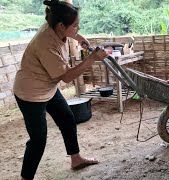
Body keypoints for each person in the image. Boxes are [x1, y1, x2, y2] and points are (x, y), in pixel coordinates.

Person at [13, 1, 109, 179]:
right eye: (75, 26)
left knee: (67, 119)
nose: (77, 28)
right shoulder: (46, 44)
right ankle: (26, 177)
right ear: (61, 26)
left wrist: (78, 37)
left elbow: (68, 33)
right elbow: (66, 76)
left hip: (47, 87)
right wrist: (92, 58)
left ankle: (76, 159)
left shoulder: (56, 25)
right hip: (30, 94)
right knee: (38, 139)